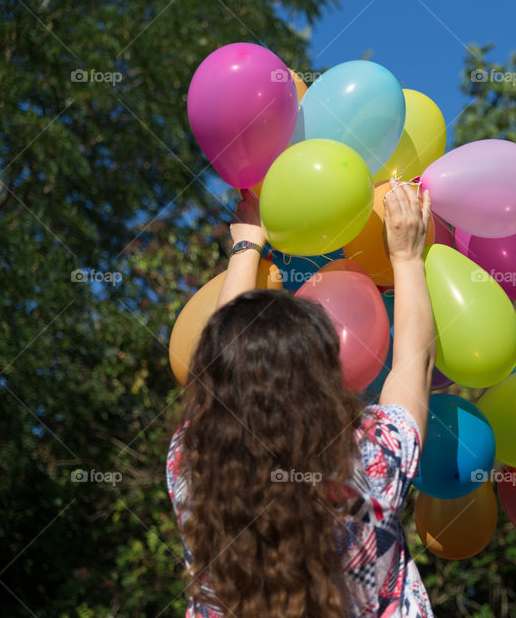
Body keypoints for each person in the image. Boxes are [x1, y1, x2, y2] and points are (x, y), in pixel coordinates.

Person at [166, 181, 436, 618]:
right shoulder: (368, 461)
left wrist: (246, 247)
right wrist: (407, 257)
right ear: (322, 376)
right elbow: (415, 362)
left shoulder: (191, 466)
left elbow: (220, 369)